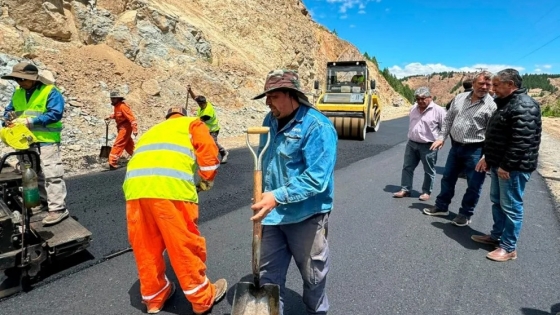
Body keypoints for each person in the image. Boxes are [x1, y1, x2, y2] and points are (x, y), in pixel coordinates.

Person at [123, 107, 227, 314]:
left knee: (146, 245)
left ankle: (154, 298)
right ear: (185, 113)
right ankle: (201, 298)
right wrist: (206, 181)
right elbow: (208, 154)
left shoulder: (153, 131)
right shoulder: (193, 123)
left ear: (167, 117)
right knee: (183, 244)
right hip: (171, 190)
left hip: (135, 191)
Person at [250, 70, 338, 314]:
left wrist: (276, 196)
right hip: (273, 216)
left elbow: (317, 179)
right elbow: (267, 162)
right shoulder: (270, 120)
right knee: (269, 276)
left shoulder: (318, 127)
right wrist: (263, 193)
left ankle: (316, 311)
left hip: (306, 217)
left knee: (313, 276)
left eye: (274, 96)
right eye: (267, 96)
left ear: (292, 95)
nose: (268, 102)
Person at [471, 69, 542, 262]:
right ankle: (496, 236)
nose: (492, 89)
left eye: (496, 85)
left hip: (512, 169)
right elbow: (498, 136)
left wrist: (507, 166)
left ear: (510, 85)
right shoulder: (506, 104)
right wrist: (489, 157)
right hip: (499, 164)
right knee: (498, 201)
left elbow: (521, 142)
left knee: (511, 206)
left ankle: (509, 247)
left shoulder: (525, 106)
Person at [423, 71, 497, 227]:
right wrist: (441, 137)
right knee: (448, 178)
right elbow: (449, 118)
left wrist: (486, 156)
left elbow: (493, 134)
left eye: (487, 85)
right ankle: (442, 206)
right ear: (474, 83)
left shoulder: (492, 106)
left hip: (476, 150)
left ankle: (465, 214)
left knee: (474, 185)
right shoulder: (460, 98)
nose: (484, 87)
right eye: (481, 83)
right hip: (455, 148)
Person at [2, 62, 69, 225]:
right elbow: (9, 110)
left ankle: (58, 209)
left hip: (46, 141)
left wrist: (31, 121)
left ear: (33, 79)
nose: (20, 83)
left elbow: (55, 114)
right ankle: (42, 203)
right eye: (17, 80)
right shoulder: (18, 92)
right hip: (25, 140)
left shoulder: (50, 91)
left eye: (23, 79)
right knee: (32, 174)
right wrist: (7, 119)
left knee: (51, 174)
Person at [393, 87, 446, 201]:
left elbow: (444, 128)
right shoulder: (413, 108)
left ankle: (426, 192)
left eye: (423, 98)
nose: (420, 101)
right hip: (412, 144)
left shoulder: (439, 111)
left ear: (430, 98)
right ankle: (405, 189)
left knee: (429, 170)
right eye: (418, 99)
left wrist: (441, 140)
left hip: (429, 146)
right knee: (407, 167)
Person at [187, 86, 229, 164]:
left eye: (199, 104)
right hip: (206, 128)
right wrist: (190, 91)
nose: (198, 105)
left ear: (203, 103)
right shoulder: (204, 103)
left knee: (213, 143)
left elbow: (200, 120)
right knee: (202, 142)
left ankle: (224, 153)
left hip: (213, 129)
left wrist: (187, 121)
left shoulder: (208, 111)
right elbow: (195, 97)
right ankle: (204, 157)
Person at [104, 91, 138, 170]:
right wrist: (110, 117)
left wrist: (135, 129)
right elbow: (117, 115)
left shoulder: (123, 106)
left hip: (125, 128)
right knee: (128, 144)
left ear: (118, 98)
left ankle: (112, 162)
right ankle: (138, 157)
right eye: (111, 98)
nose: (112, 100)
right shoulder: (116, 106)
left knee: (118, 143)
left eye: (114, 98)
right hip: (120, 127)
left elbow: (131, 118)